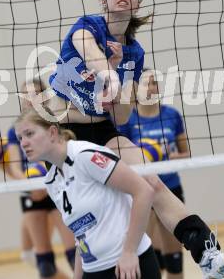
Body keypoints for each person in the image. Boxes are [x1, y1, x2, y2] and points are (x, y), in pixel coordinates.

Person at [46, 0, 224, 278]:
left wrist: (119, 89)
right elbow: (91, 53)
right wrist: (108, 72)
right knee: (88, 218)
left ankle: (206, 252)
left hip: (103, 131)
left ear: (136, 3)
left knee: (151, 182)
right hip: (65, 135)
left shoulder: (134, 53)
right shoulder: (87, 26)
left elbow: (122, 118)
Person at [15, 106, 160, 279]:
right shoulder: (52, 181)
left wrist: (129, 252)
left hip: (127, 266)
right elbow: (81, 235)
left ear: (53, 132)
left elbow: (144, 191)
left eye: (29, 134)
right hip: (93, 270)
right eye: (20, 138)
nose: (23, 143)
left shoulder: (85, 155)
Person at [118, 68, 190, 279]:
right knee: (145, 258)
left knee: (175, 261)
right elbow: (120, 157)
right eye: (145, 83)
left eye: (154, 83)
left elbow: (186, 152)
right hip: (142, 191)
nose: (150, 88)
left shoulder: (171, 115)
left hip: (170, 188)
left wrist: (174, 157)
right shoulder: (128, 120)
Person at [1, 79, 75, 279]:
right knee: (45, 265)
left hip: (58, 188)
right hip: (33, 192)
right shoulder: (14, 130)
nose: (29, 99)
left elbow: (65, 158)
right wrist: (31, 185)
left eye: (35, 94)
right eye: (26, 95)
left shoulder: (57, 123)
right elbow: (15, 168)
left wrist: (47, 181)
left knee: (75, 256)